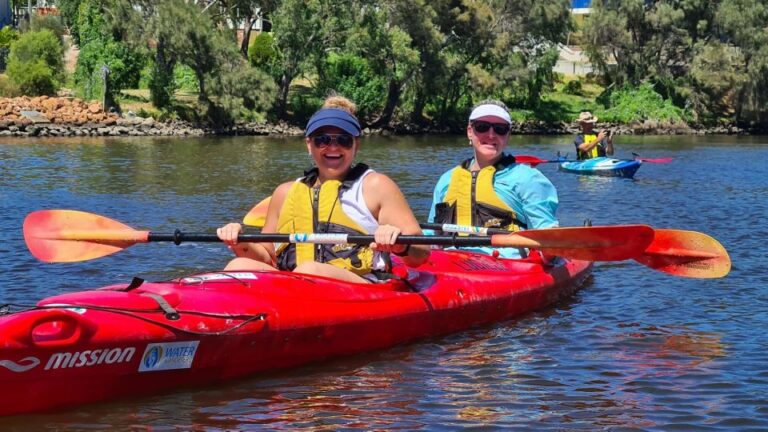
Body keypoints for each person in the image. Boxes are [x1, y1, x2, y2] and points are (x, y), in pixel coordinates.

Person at [217, 96, 430, 283]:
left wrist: (399, 243)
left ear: (356, 145)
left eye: (343, 140)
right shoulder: (285, 193)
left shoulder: (376, 186)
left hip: (358, 287)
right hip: (295, 285)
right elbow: (267, 257)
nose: (333, 147)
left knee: (309, 270)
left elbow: (421, 254)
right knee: (238, 266)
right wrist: (239, 242)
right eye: (323, 140)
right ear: (309, 145)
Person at [428, 100, 559, 259]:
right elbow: (431, 233)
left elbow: (544, 233)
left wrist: (550, 247)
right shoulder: (446, 180)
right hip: (450, 261)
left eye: (500, 129)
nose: (491, 135)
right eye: (482, 126)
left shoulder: (528, 179)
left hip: (507, 265)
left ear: (508, 136)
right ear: (470, 131)